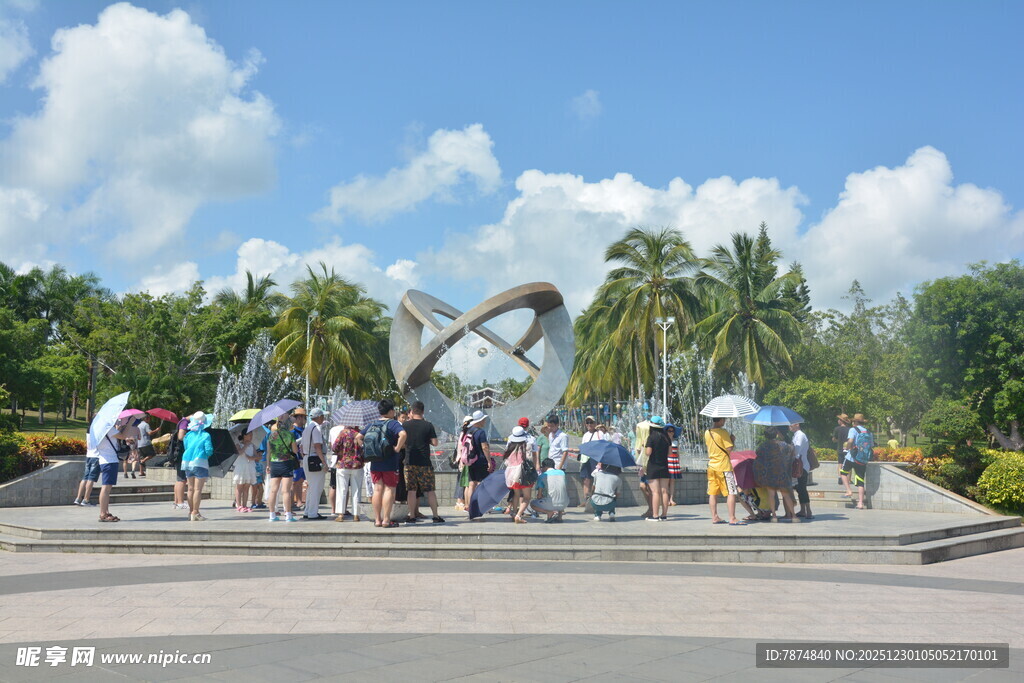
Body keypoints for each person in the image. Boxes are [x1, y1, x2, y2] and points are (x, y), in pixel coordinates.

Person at [361, 399, 407, 528]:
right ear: (391, 411)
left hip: (375, 462)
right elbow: (403, 434)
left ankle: (377, 519)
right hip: (390, 461)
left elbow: (358, 437)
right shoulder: (393, 424)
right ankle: (386, 520)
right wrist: (397, 448)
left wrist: (366, 450)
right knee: (389, 489)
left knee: (377, 489)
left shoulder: (372, 424)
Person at [402, 401, 444, 524]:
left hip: (410, 462)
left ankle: (412, 516)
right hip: (425, 463)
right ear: (423, 411)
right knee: (430, 490)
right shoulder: (428, 425)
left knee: (411, 490)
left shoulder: (405, 425)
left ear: (412, 411)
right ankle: (435, 516)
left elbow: (402, 443)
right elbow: (435, 443)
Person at [753, 427, 800, 522]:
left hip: (769, 474)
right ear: (776, 434)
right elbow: (792, 450)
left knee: (771, 495)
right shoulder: (783, 444)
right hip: (781, 473)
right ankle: (794, 516)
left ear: (766, 435)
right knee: (786, 494)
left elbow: (758, 455)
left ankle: (774, 516)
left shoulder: (763, 446)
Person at [705, 417, 743, 525]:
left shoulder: (707, 432)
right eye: (724, 420)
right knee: (731, 492)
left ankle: (715, 517)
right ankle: (732, 518)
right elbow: (729, 448)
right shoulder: (723, 432)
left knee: (712, 493)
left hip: (711, 466)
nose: (725, 421)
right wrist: (732, 440)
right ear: (720, 420)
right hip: (724, 467)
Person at [266, 415, 300, 522]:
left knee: (273, 491)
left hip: (274, 464)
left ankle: (272, 515)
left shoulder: (271, 436)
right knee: (286, 491)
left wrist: (268, 465)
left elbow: (269, 452)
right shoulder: (290, 435)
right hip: (286, 464)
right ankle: (288, 516)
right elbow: (295, 451)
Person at [95, 420, 130, 522]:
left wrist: (117, 429)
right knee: (106, 488)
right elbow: (123, 436)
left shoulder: (98, 430)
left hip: (104, 459)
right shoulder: (107, 428)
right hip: (109, 460)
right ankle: (103, 513)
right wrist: (127, 424)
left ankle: (105, 511)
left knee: (107, 488)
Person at [181, 411, 213, 522]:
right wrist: (207, 455)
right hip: (200, 462)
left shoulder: (188, 435)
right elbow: (209, 450)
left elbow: (185, 447)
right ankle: (195, 512)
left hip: (187, 462)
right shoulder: (205, 435)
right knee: (198, 489)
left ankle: (190, 512)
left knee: (190, 488)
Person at [461, 410, 493, 512]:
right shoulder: (480, 432)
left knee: (471, 484)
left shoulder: (469, 430)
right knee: (481, 484)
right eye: (484, 419)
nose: (485, 421)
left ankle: (471, 506)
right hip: (480, 461)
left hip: (471, 460)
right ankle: (480, 506)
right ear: (480, 420)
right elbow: (484, 447)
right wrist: (489, 461)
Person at [300, 408, 328, 520]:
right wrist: (324, 462)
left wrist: (305, 457)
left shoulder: (307, 428)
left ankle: (308, 511)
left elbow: (301, 447)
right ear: (320, 417)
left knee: (311, 487)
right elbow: (317, 446)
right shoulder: (316, 428)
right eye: (323, 416)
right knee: (317, 487)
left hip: (308, 458)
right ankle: (313, 513)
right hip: (315, 459)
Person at [332, 422, 364, 522]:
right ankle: (356, 515)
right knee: (357, 490)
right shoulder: (360, 434)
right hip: (357, 465)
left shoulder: (343, 433)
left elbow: (334, 447)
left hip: (343, 464)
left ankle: (341, 515)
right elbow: (364, 449)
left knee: (342, 489)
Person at [842, 413, 874, 510]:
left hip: (852, 456)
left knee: (843, 472)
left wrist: (847, 448)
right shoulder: (868, 432)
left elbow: (850, 441)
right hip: (862, 458)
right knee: (860, 480)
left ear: (855, 421)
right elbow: (871, 445)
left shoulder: (853, 430)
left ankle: (848, 490)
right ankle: (860, 503)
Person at [503, 426, 533, 523]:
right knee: (527, 497)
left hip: (511, 475)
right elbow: (529, 460)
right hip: (523, 474)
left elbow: (506, 462)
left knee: (516, 495)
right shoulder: (526, 446)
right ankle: (519, 515)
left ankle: (514, 513)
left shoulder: (510, 447)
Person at [643, 416, 671, 521]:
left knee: (655, 492)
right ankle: (664, 515)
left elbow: (648, 453)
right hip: (664, 466)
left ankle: (655, 515)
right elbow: (669, 453)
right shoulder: (666, 437)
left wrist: (645, 448)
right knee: (664, 491)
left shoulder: (651, 437)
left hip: (653, 466)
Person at [531, 458, 568, 522]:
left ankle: (548, 512)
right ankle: (559, 517)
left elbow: (539, 496)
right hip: (565, 503)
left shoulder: (542, 476)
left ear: (545, 467)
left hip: (551, 504)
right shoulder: (562, 473)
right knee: (560, 494)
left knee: (532, 504)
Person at [232, 429, 259, 512]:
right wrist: (245, 445)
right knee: (239, 486)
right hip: (240, 467)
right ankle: (239, 505)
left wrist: (252, 458)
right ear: (244, 436)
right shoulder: (238, 444)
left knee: (246, 487)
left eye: (252, 435)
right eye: (249, 435)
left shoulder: (253, 445)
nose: (251, 437)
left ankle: (245, 505)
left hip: (249, 466)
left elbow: (256, 456)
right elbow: (239, 453)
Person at [790, 422, 813, 519]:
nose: (789, 426)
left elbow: (797, 450)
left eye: (791, 424)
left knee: (802, 488)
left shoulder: (800, 435)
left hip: (802, 466)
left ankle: (808, 510)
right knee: (799, 488)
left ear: (797, 424)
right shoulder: (796, 435)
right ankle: (803, 510)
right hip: (799, 465)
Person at [73, 431, 101, 507]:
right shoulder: (98, 432)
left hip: (89, 455)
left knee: (85, 478)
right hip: (96, 456)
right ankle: (86, 499)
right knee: (91, 479)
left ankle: (78, 498)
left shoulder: (88, 433)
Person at [577, 416, 601, 507]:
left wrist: (600, 461)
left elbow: (603, 447)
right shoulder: (585, 434)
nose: (589, 424)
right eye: (587, 422)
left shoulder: (599, 434)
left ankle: (595, 500)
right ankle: (586, 501)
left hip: (595, 458)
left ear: (595, 423)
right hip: (586, 458)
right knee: (586, 480)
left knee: (596, 480)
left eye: (591, 422)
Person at [169, 417, 189, 510]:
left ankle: (176, 502)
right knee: (182, 479)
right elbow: (181, 436)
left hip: (179, 454)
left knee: (179, 479)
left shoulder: (182, 421)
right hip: (181, 454)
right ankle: (180, 502)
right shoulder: (185, 422)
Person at [291, 408, 308, 509]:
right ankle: (292, 502)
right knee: (294, 481)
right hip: (296, 459)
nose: (304, 420)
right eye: (303, 417)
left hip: (303, 458)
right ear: (298, 418)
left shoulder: (305, 430)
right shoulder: (292, 431)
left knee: (301, 480)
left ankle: (299, 501)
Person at [833, 413, 851, 485]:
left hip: (840, 448)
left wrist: (838, 440)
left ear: (841, 421)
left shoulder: (837, 429)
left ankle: (840, 479)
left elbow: (834, 439)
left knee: (840, 464)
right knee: (849, 464)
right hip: (848, 448)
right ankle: (848, 480)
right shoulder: (850, 429)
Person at [666, 424, 682, 506]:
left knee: (672, 481)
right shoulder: (664, 441)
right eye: (669, 431)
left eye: (672, 431)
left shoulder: (675, 442)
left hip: (674, 461)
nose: (671, 433)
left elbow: (678, 453)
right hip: (667, 461)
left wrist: (679, 462)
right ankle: (667, 499)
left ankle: (671, 499)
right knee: (666, 481)